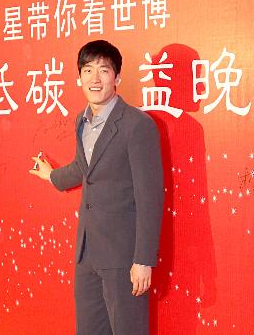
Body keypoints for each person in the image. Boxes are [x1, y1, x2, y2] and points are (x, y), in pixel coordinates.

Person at [29, 40, 163, 335]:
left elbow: (149, 197)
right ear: (79, 78)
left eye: (104, 70)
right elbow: (83, 167)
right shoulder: (82, 120)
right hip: (87, 251)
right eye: (88, 70)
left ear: (117, 77)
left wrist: (143, 259)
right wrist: (52, 176)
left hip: (122, 256)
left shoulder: (137, 124)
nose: (95, 78)